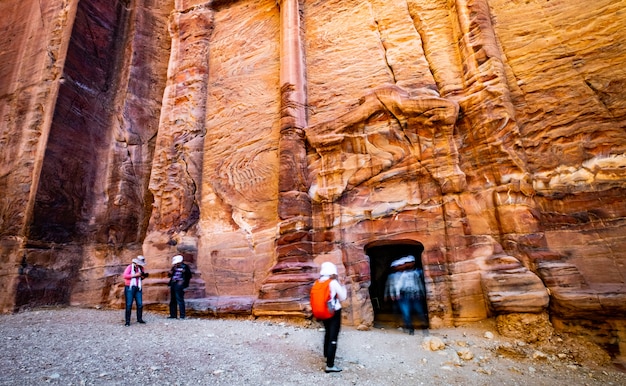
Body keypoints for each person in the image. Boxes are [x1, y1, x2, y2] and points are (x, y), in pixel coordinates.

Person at [384, 255, 427, 335]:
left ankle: (424, 329)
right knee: (406, 313)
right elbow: (396, 285)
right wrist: (395, 294)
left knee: (420, 312)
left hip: (414, 295)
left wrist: (421, 293)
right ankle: (410, 329)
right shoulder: (400, 275)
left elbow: (418, 284)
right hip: (404, 295)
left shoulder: (416, 273)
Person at [317, 262, 347, 373]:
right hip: (334, 312)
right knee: (333, 337)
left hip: (323, 311)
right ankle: (330, 365)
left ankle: (326, 354)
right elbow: (343, 297)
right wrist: (343, 285)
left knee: (327, 332)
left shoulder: (318, 282)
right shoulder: (333, 283)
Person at [123, 255, 148, 326]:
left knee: (140, 304)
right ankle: (127, 321)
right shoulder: (130, 267)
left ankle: (139, 319)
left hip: (138, 287)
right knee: (129, 304)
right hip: (129, 287)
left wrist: (143, 276)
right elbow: (125, 276)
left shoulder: (141, 268)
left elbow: (141, 278)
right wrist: (135, 275)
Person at [168, 254, 192, 319]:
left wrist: (183, 282)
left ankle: (182, 315)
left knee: (180, 300)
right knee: (173, 300)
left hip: (180, 285)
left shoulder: (185, 267)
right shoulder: (174, 267)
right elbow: (170, 275)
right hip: (173, 283)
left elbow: (189, 276)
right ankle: (173, 315)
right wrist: (170, 273)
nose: (176, 264)